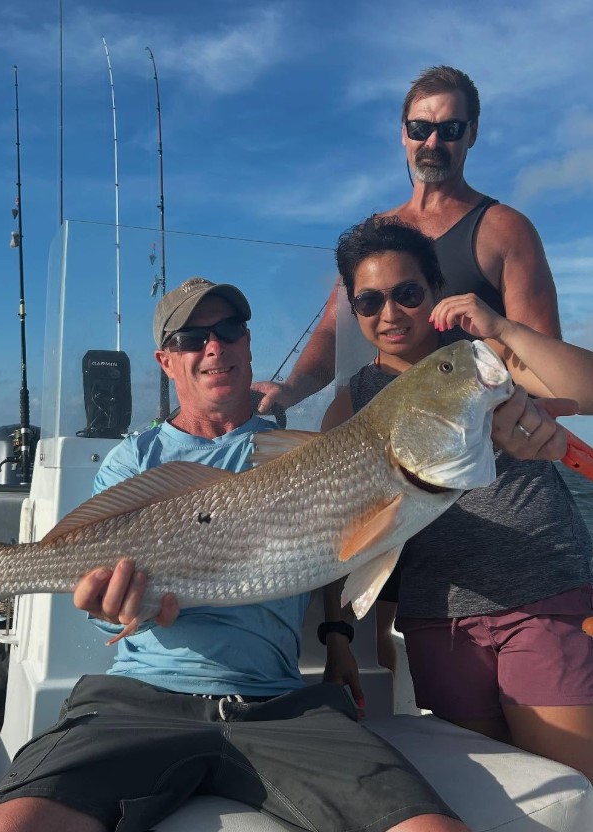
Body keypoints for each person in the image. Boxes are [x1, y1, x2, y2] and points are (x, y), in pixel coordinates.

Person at [0, 277, 473, 832]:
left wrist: (338, 638)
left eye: (229, 329)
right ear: (166, 361)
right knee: (3, 827)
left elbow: (338, 544)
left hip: (280, 705)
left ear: (248, 344)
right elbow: (96, 585)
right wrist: (106, 605)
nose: (215, 345)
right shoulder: (133, 460)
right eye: (191, 337)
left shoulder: (302, 452)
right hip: (139, 700)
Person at [254, 65, 563, 670]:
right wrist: (286, 390)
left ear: (472, 134)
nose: (434, 142)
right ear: (402, 133)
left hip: (473, 463)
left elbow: (541, 355)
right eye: (421, 127)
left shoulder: (503, 229)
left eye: (450, 128)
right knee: (384, 631)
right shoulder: (376, 233)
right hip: (387, 457)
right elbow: (331, 332)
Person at [321, 216, 593, 784]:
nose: (390, 314)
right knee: (496, 799)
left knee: (574, 790)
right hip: (439, 623)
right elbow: (337, 529)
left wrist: (506, 328)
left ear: (437, 291)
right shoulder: (352, 403)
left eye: (408, 294)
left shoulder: (485, 357)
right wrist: (339, 634)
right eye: (369, 301)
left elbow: (586, 391)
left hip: (540, 593)